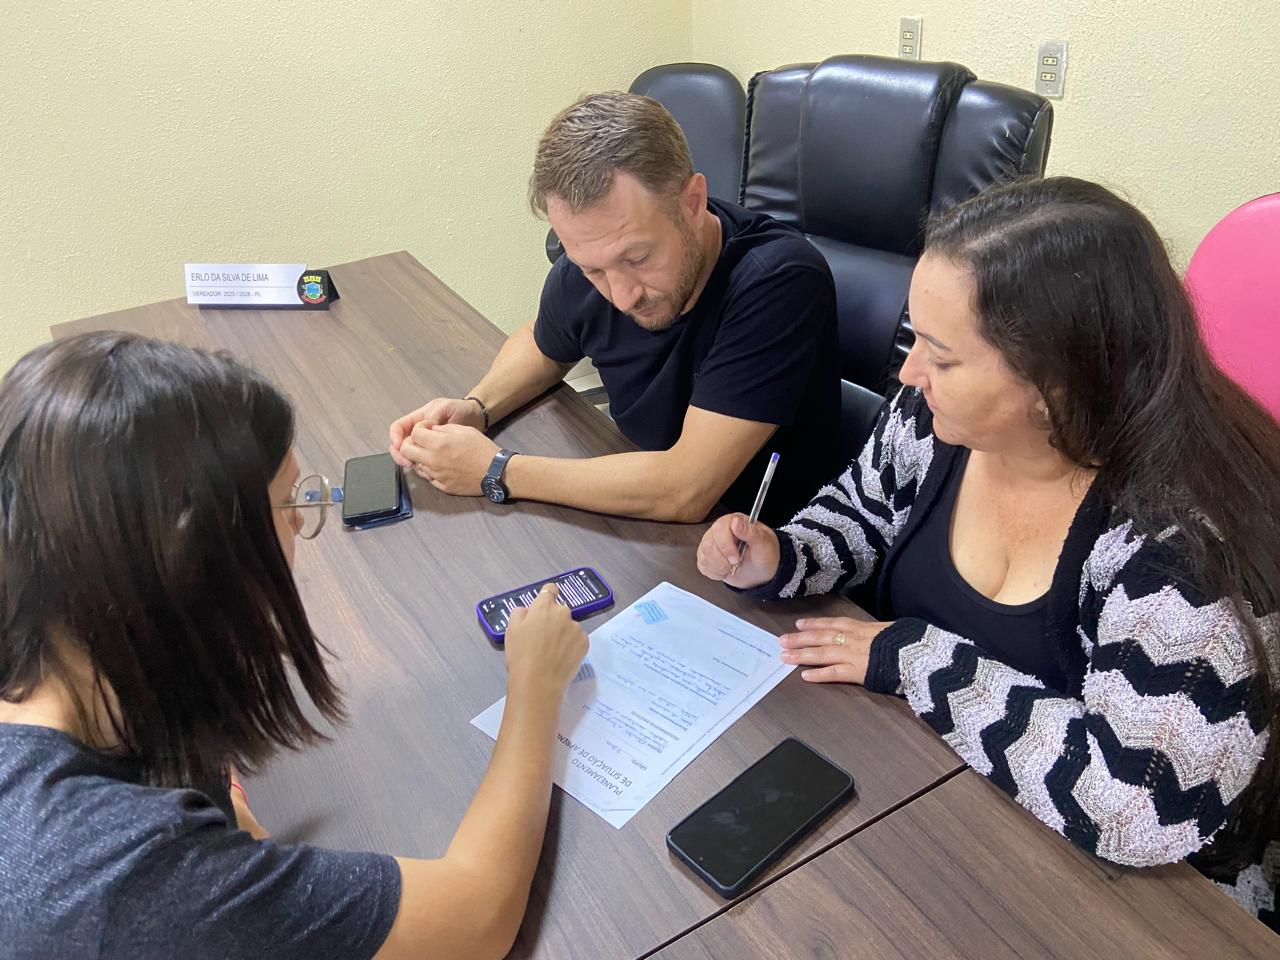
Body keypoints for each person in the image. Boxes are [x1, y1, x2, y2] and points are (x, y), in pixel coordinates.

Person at [697, 177, 1280, 929]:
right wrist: (783, 555)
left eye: (941, 358)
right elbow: (863, 512)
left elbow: (1134, 808)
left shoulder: (1185, 549)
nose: (908, 374)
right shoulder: (933, 417)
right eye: (916, 340)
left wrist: (916, 659)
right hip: (942, 801)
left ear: (1054, 381)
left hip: (1144, 906)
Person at [0, 332, 588, 960]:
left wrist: (223, 813)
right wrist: (535, 684)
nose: (302, 524)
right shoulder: (132, 876)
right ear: (194, 555)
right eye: (291, 502)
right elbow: (477, 917)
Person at [389, 91, 841, 526]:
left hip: (762, 548)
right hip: (639, 521)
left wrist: (497, 469)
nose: (621, 297)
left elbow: (686, 488)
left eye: (638, 258)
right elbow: (543, 344)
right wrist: (478, 407)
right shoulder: (591, 260)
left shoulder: (779, 280)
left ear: (692, 202)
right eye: (593, 270)